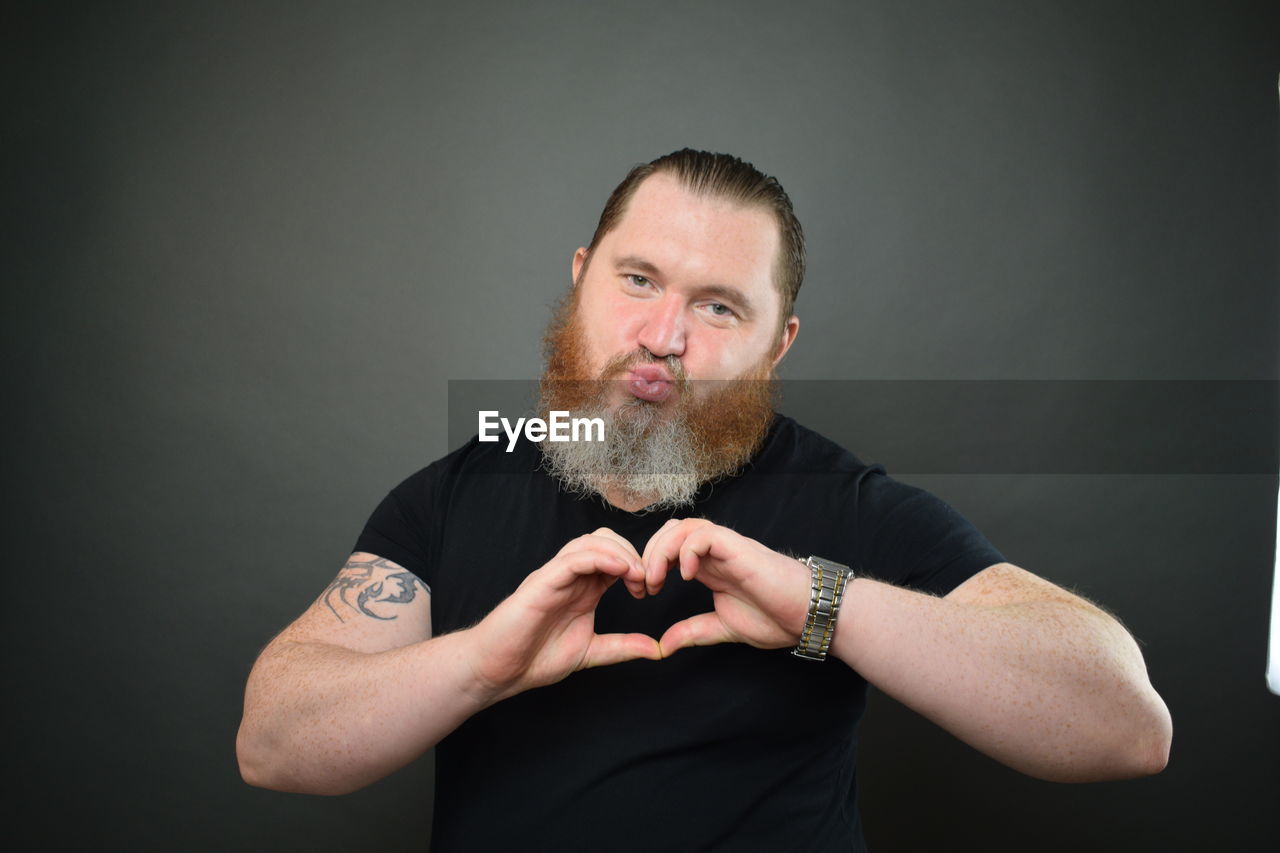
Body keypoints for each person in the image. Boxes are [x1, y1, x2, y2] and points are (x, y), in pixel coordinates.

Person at [236, 149, 1172, 852]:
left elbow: (1125, 724)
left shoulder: (846, 503)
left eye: (720, 306)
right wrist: (484, 662)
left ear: (779, 344)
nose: (663, 336)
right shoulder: (456, 492)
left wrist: (823, 605)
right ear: (579, 277)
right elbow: (273, 746)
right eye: (637, 280)